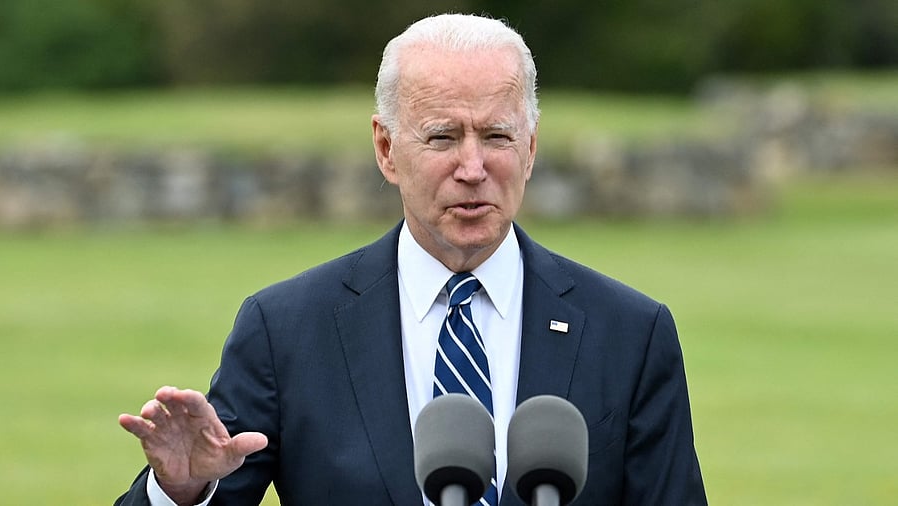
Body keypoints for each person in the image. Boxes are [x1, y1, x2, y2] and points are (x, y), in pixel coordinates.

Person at [116, 13, 707, 506]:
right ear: (386, 148)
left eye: (497, 137)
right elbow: (213, 476)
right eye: (443, 138)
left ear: (530, 148)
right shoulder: (287, 329)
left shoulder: (630, 333)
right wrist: (182, 490)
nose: (473, 168)